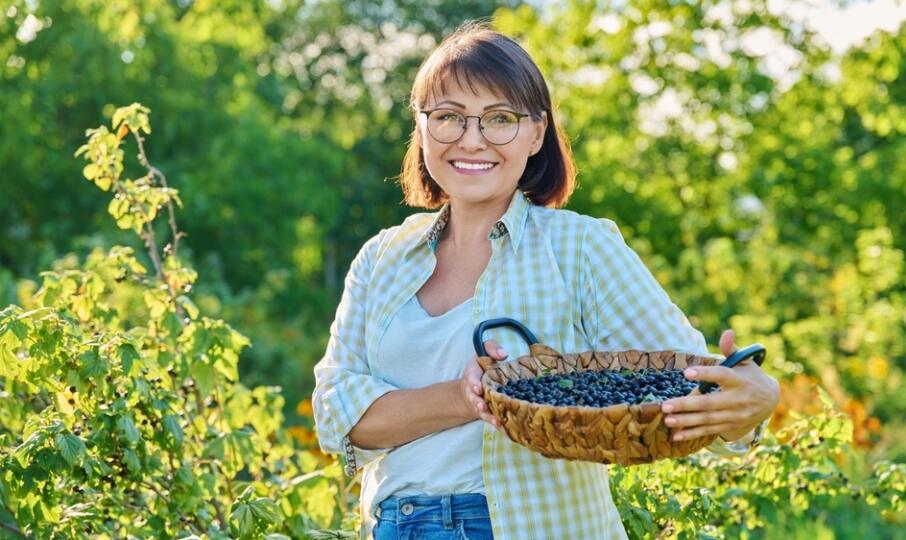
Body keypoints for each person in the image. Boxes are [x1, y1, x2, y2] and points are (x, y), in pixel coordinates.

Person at [311, 20, 780, 540]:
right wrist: (468, 395)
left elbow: (684, 388)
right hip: (395, 526)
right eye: (448, 117)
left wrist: (750, 405)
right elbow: (339, 419)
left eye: (499, 119)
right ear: (421, 128)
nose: (472, 139)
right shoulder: (381, 259)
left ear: (537, 133)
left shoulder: (580, 248)